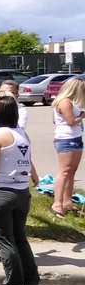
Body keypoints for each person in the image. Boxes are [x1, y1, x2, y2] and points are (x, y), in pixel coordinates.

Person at [0, 94, 39, 285]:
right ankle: (31, 283)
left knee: (5, 241)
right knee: (20, 238)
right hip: (21, 192)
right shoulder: (22, 133)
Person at [50, 76, 84, 217]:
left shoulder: (70, 102)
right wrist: (82, 116)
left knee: (71, 171)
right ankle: (57, 204)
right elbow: (71, 121)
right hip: (66, 138)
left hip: (75, 137)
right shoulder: (65, 102)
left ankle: (67, 201)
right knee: (64, 171)